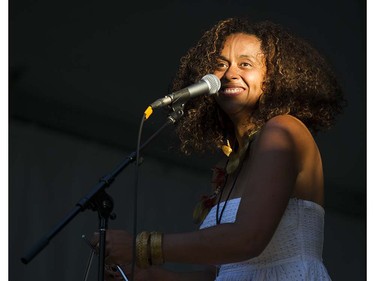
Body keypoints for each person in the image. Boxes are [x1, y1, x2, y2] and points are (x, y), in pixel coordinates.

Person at [92, 17, 346, 280]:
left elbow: (248, 238)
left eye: (245, 64)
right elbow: (223, 274)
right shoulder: (232, 166)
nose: (230, 74)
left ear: (275, 78)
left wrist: (142, 247)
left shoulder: (283, 130)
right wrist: (144, 276)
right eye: (220, 64)